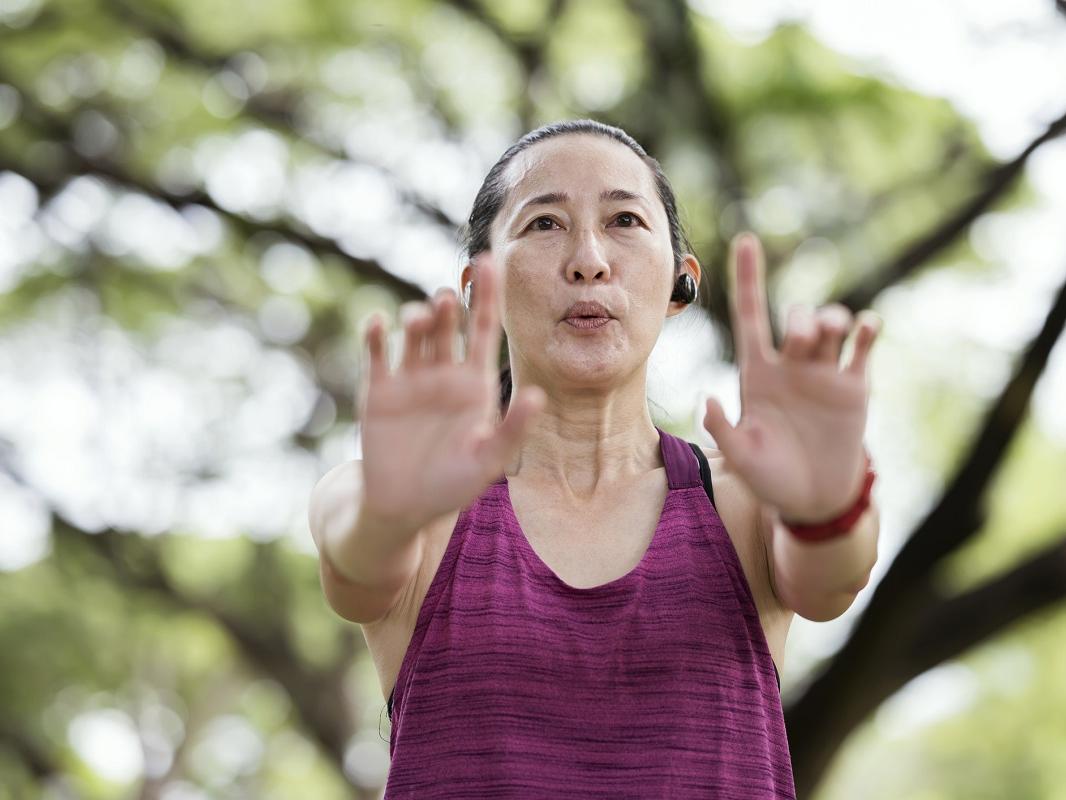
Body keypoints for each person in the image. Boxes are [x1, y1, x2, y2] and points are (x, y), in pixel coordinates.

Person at [307, 119, 882, 799]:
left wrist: (825, 508)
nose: (588, 259)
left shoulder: (743, 501)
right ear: (477, 284)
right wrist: (390, 512)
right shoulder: (405, 504)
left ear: (680, 283)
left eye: (625, 220)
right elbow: (357, 564)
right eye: (544, 223)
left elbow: (830, 581)